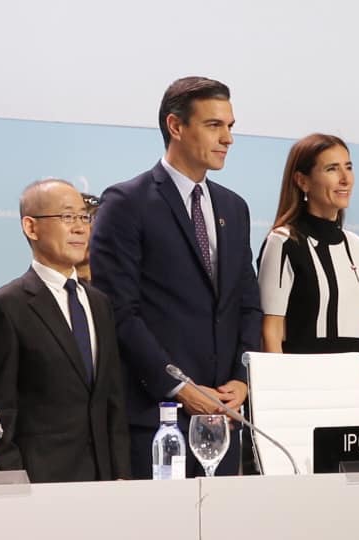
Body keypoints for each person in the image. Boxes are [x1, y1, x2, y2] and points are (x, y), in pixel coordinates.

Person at [89, 76, 262, 478]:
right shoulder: (127, 202)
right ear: (176, 126)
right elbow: (119, 312)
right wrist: (180, 388)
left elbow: (247, 304)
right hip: (158, 420)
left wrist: (241, 380)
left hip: (223, 417)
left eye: (230, 126)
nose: (228, 138)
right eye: (214, 125)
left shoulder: (234, 208)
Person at [0, 179, 130, 482]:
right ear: (31, 227)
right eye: (67, 217)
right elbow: (1, 410)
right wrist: (14, 483)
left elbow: (112, 401)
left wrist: (121, 475)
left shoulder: (99, 303)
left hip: (103, 482)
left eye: (83, 217)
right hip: (40, 483)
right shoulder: (6, 306)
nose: (80, 228)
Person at [258, 133, 359, 424]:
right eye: (332, 169)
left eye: (348, 167)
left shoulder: (358, 246)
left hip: (355, 395)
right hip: (302, 396)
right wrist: (279, 408)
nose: (345, 179)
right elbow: (271, 332)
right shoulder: (283, 242)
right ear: (302, 181)